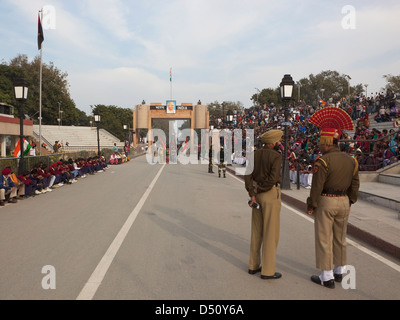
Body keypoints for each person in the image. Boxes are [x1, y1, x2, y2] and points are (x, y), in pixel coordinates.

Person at [307, 107, 360, 289]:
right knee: (340, 237)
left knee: (324, 238)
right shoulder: (351, 160)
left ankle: (326, 276)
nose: (320, 145)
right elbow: (355, 184)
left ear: (328, 142)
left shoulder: (323, 161)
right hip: (344, 201)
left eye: (322, 142)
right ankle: (339, 271)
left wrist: (311, 204)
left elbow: (317, 186)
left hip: (326, 200)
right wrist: (351, 201)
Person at [244, 129, 283, 280]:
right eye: (278, 140)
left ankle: (253, 266)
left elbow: (248, 175)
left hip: (256, 195)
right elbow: (273, 178)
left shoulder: (254, 154)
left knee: (256, 231)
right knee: (270, 232)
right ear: (273, 142)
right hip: (270, 194)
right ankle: (268, 270)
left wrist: (252, 193)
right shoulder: (276, 156)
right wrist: (260, 189)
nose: (279, 142)